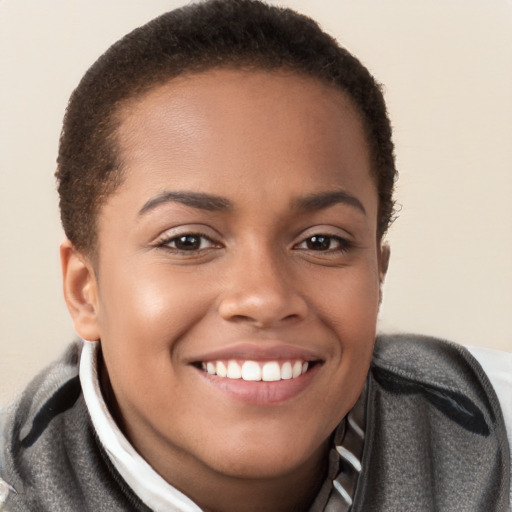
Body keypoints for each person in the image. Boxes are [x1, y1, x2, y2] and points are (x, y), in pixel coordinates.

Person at [0, 1, 509, 510]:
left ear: (378, 273)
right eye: (188, 241)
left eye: (321, 241)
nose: (264, 298)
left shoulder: (493, 428)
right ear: (84, 290)